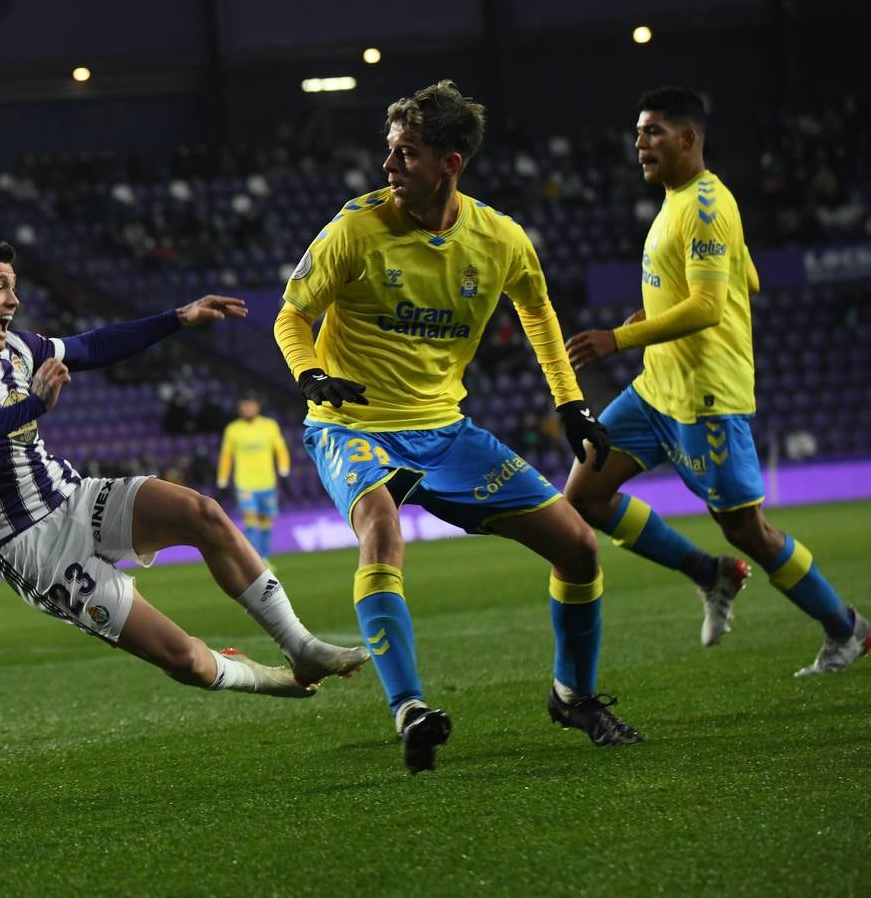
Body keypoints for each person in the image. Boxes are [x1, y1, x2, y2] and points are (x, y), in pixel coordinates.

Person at [273, 80, 644, 774]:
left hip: (445, 431)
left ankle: (574, 696)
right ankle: (410, 709)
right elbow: (290, 315)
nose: (388, 166)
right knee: (380, 528)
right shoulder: (353, 228)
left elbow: (536, 311)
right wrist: (308, 375)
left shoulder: (497, 238)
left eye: (405, 153)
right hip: (352, 425)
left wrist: (570, 403)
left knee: (578, 549)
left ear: (450, 162)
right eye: (388, 151)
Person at [0, 238, 369, 702]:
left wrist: (177, 318)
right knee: (184, 658)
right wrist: (33, 406)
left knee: (200, 512)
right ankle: (263, 678)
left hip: (72, 496)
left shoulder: (19, 348)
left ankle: (301, 646)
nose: (14, 299)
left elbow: (92, 346)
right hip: (30, 544)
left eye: (14, 286)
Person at [564, 87, 869, 676]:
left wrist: (619, 338)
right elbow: (746, 277)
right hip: (658, 389)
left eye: (653, 131)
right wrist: (653, 315)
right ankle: (711, 574)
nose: (639, 142)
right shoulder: (681, 199)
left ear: (688, 138)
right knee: (585, 495)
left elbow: (707, 306)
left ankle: (846, 629)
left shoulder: (704, 204)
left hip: (704, 398)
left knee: (747, 530)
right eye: (638, 131)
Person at [216, 394, 291, 563]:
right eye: (245, 405)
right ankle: (252, 561)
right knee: (250, 521)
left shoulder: (270, 426)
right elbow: (226, 456)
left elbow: (281, 449)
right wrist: (222, 479)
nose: (248, 409)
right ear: (240, 408)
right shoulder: (233, 429)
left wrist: (284, 471)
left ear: (257, 407)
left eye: (251, 405)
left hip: (267, 482)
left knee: (265, 522)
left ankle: (264, 559)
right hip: (245, 483)